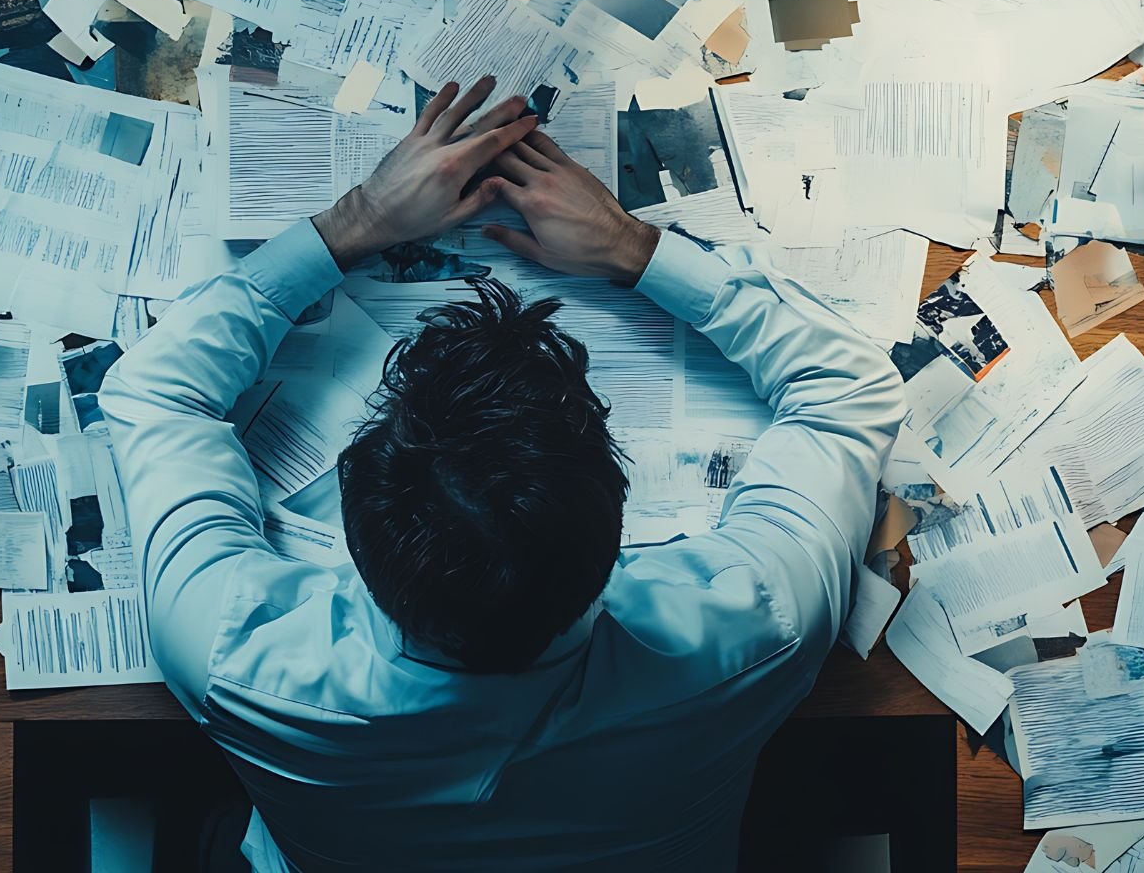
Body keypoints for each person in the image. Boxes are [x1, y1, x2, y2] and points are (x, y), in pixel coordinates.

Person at [101, 75, 905, 871]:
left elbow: (153, 389)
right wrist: (630, 246)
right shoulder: (756, 631)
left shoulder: (233, 655)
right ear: (622, 526)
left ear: (356, 527)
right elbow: (849, 388)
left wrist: (360, 220)